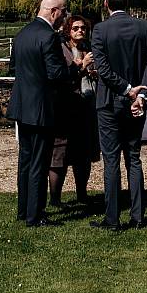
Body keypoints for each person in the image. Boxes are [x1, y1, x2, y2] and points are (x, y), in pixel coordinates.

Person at [91, 0, 147, 230]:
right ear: (127, 3)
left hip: (110, 101)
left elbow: (104, 69)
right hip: (137, 99)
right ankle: (138, 216)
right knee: (134, 157)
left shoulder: (100, 30)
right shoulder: (143, 27)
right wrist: (142, 93)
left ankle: (112, 218)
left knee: (111, 160)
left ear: (106, 4)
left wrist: (128, 89)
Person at [7, 0, 72, 228]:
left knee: (25, 160)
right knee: (39, 163)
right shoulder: (49, 37)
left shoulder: (22, 34)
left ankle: (24, 209)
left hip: (22, 106)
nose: (65, 18)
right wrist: (76, 70)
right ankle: (35, 214)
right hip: (42, 108)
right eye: (64, 13)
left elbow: (13, 68)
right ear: (54, 11)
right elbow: (56, 74)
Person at [50, 14, 100, 206]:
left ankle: (82, 194)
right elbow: (62, 76)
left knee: (83, 154)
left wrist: (93, 72)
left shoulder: (89, 49)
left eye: (83, 28)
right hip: (65, 107)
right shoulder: (62, 50)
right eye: (76, 28)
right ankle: (55, 198)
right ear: (68, 31)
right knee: (59, 154)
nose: (80, 31)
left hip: (86, 107)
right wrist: (81, 66)